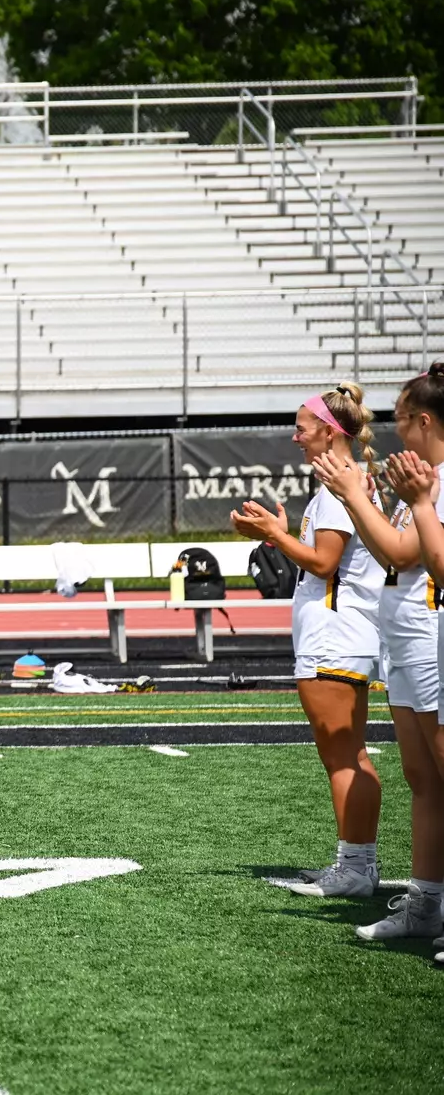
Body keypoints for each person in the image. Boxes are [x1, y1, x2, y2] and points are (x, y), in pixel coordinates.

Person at [231, 383, 383, 897]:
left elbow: (323, 563)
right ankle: (354, 864)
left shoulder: (340, 487)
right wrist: (278, 530)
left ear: (329, 430)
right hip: (339, 632)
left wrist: (274, 536)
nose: (295, 436)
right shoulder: (344, 484)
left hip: (335, 635)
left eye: (301, 426)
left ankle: (356, 869)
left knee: (344, 755)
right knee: (346, 754)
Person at [314, 368, 444, 943]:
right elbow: (390, 557)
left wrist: (352, 496)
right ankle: (426, 904)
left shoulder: (434, 482)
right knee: (422, 778)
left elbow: (404, 552)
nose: (390, 423)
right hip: (407, 641)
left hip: (429, 638)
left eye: (399, 412)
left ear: (425, 420)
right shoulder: (421, 478)